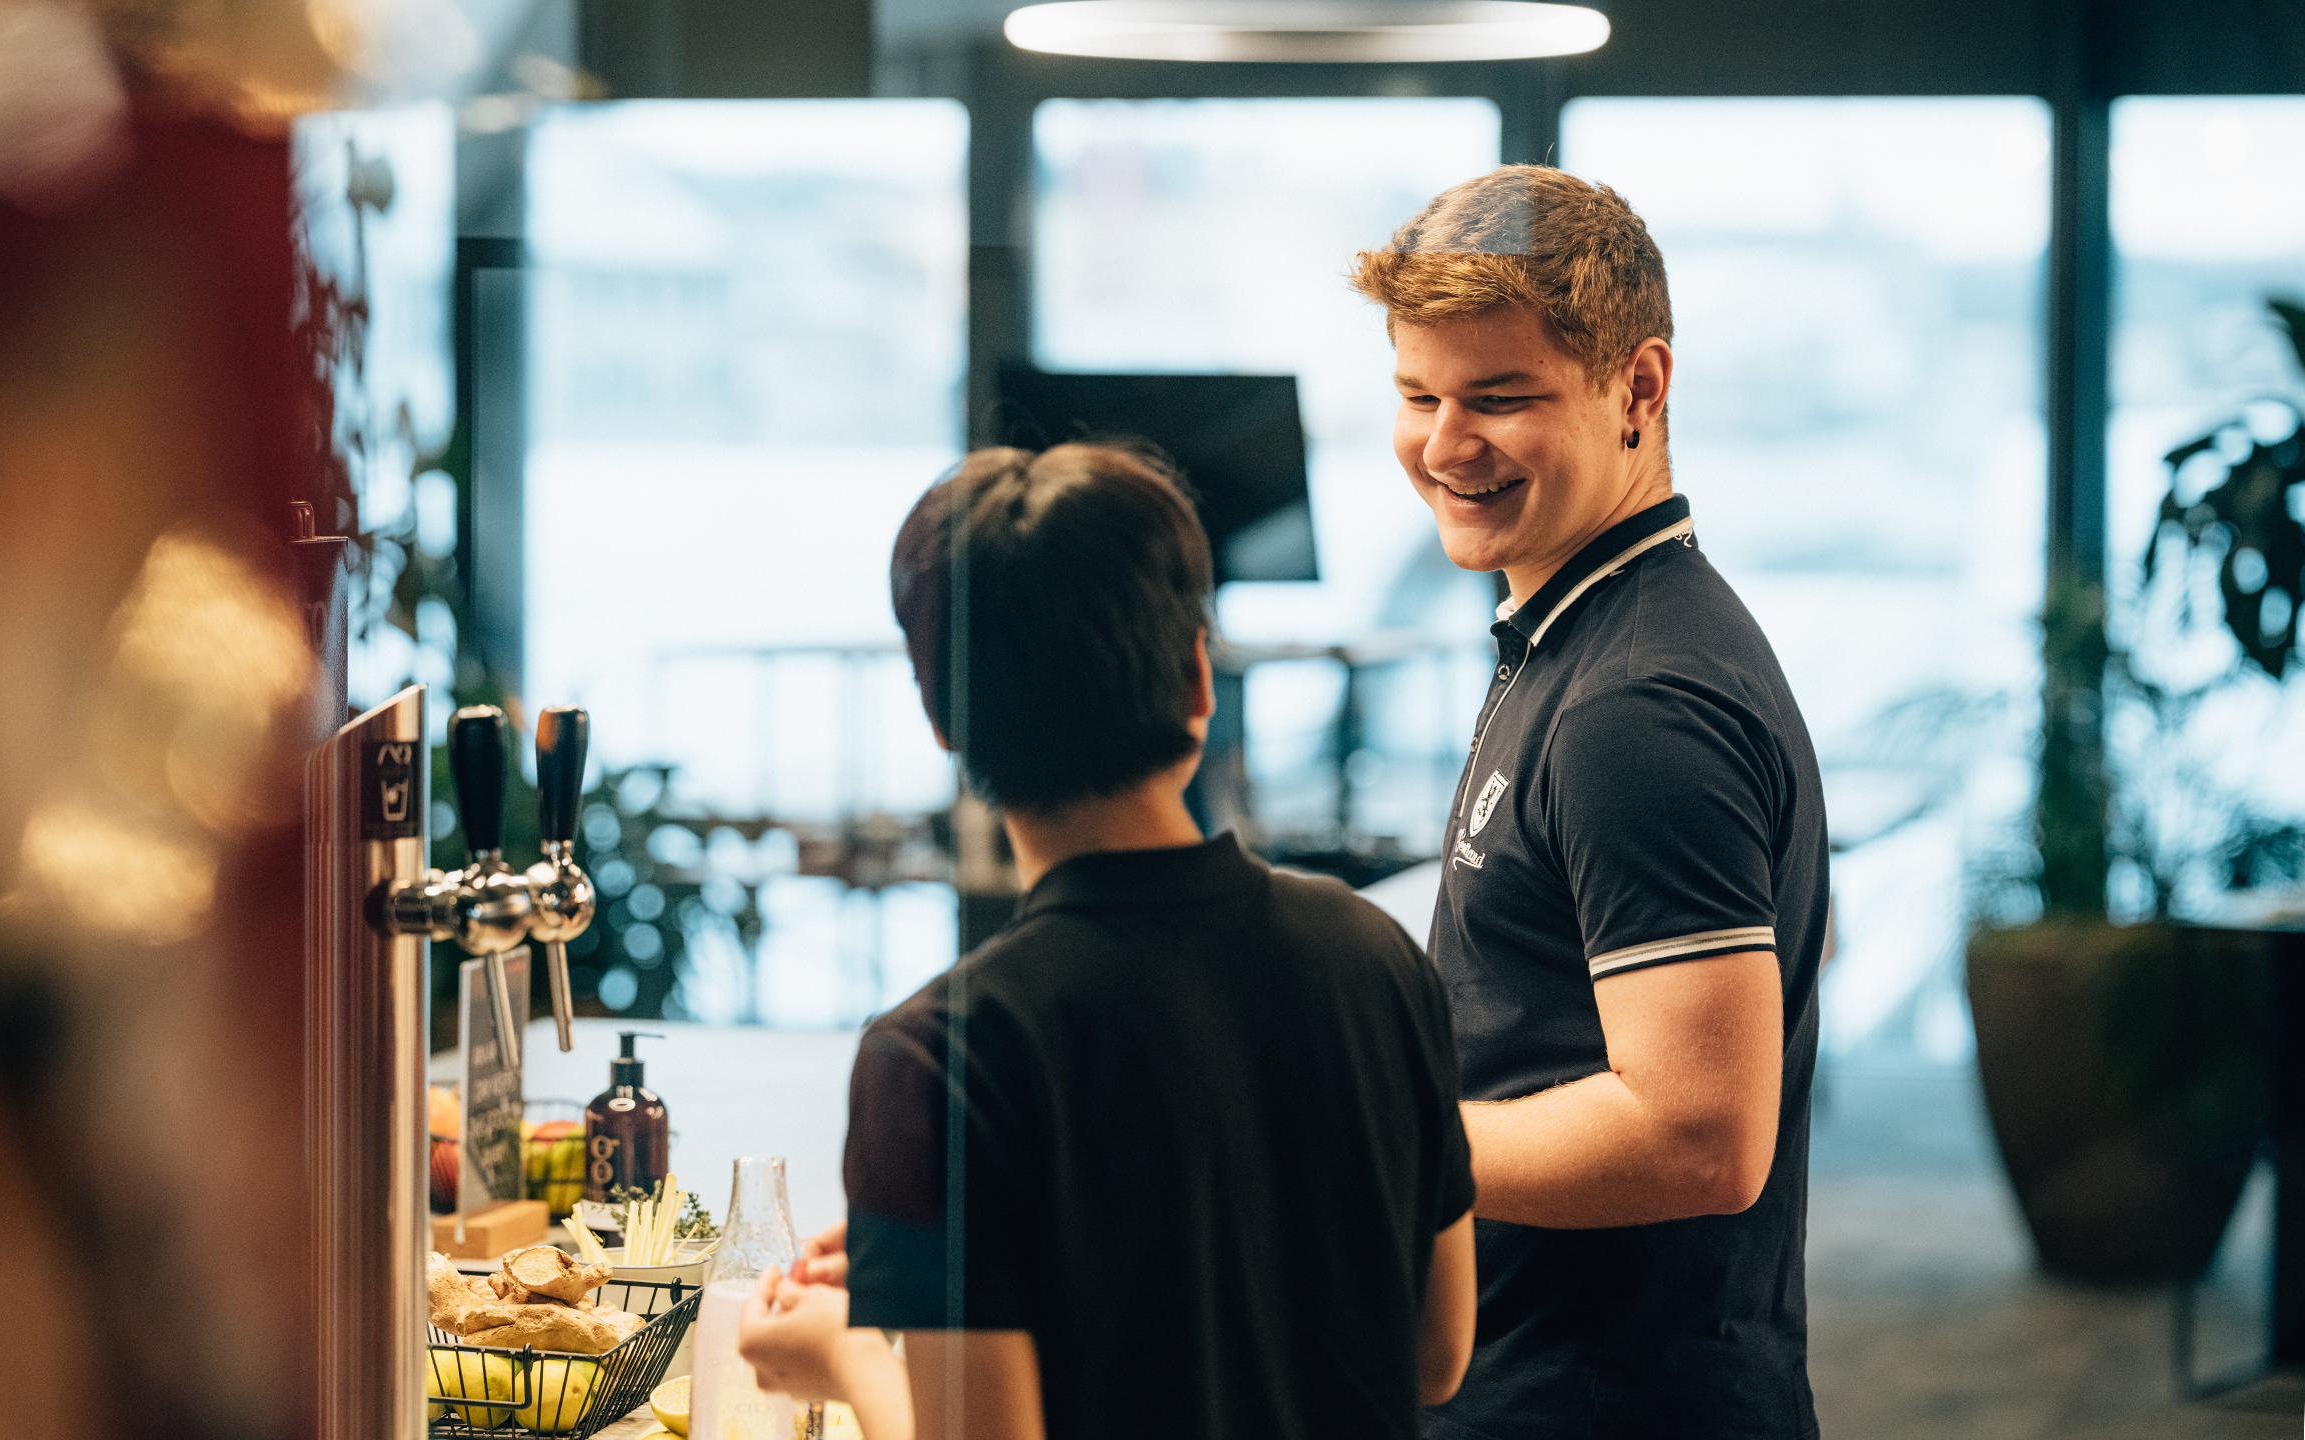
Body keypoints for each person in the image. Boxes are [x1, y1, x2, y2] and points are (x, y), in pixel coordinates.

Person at [735, 443, 1478, 1440]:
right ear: (1198, 678)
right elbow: (1434, 1356)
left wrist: (844, 1353)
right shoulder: (1376, 958)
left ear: (943, 720)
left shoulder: (939, 1058)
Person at [1348, 165, 1829, 1440]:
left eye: (1500, 399)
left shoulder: (1637, 704)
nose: (1446, 446)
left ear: (1639, 389)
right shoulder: (1573, 635)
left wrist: (1356, 1144)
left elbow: (1698, 1136)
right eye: (1416, 396)